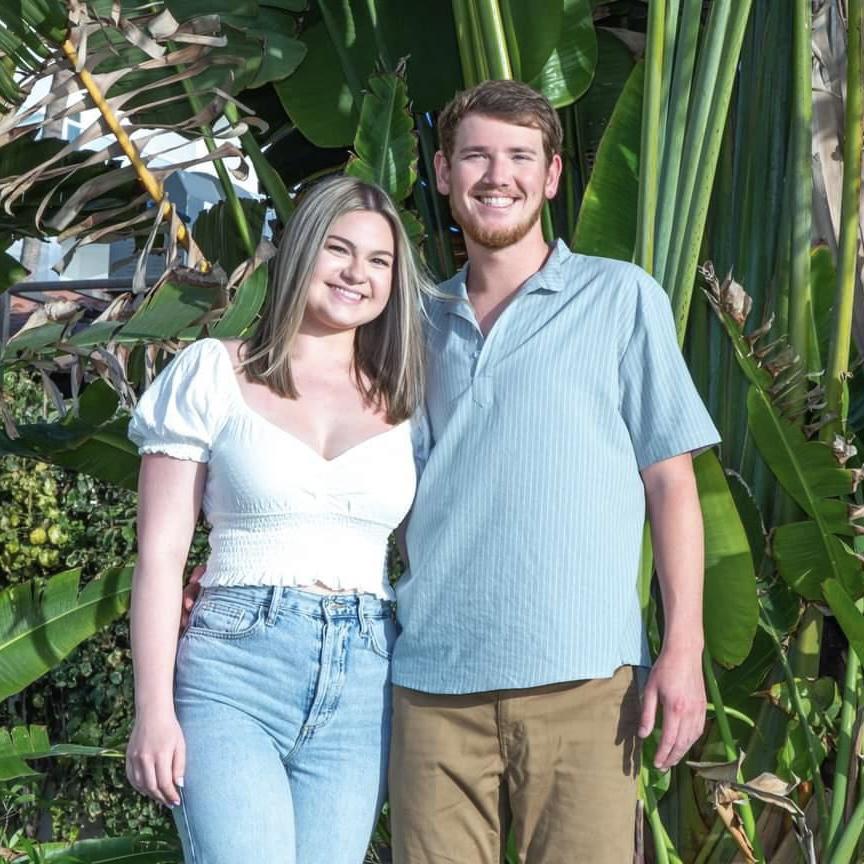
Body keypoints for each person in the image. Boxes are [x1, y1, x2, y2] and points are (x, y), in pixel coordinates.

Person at [387, 80, 721, 864]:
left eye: (518, 157)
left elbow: (673, 485)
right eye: (475, 155)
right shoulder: (412, 323)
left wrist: (684, 649)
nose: (496, 175)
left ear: (551, 176)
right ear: (442, 173)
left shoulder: (619, 299)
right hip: (433, 686)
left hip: (586, 685)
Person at [125, 175, 430, 864]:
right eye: (338, 249)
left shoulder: (409, 400)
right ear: (299, 253)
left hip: (364, 680)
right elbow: (161, 560)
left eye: (379, 261)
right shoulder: (211, 372)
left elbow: (431, 552)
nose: (357, 273)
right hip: (235, 667)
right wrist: (152, 710)